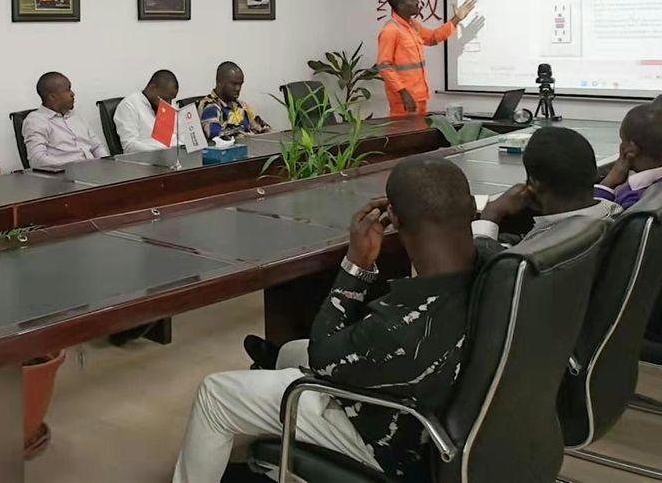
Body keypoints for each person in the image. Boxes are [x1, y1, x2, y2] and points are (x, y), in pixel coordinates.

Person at [175, 156, 479, 483]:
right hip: (442, 405)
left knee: (214, 394)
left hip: (393, 435)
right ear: (472, 208)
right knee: (291, 351)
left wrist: (357, 264)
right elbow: (487, 230)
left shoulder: (400, 327)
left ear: (395, 219)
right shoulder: (493, 266)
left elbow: (322, 355)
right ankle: (278, 446)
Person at [474, 125, 621, 243]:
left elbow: (485, 264)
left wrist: (490, 216)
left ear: (534, 185)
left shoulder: (539, 246)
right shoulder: (617, 213)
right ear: (595, 173)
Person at [377, 0, 476, 116]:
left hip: (419, 95)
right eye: (412, 0)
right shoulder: (390, 30)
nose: (417, 2)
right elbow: (384, 66)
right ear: (401, 5)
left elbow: (432, 38)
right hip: (404, 98)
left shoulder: (413, 25)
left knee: (420, 128)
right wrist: (403, 92)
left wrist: (456, 19)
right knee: (405, 129)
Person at [22, 72, 108, 170]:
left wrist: (106, 166)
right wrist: (73, 167)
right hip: (64, 175)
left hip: (93, 171)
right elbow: (37, 160)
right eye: (68, 90)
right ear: (52, 97)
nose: (72, 94)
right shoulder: (36, 121)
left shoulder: (75, 115)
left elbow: (97, 147)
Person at [595, 103, 662, 209]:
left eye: (622, 141)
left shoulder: (635, 200)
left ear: (629, 149)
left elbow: (593, 216)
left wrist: (607, 184)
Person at [196, 62, 270, 140]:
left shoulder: (242, 106)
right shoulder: (209, 106)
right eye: (234, 84)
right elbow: (215, 134)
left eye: (240, 84)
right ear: (219, 82)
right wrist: (244, 136)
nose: (238, 88)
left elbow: (263, 129)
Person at [114, 69, 180, 153]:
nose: (169, 104)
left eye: (171, 99)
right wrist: (164, 150)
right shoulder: (129, 106)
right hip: (146, 158)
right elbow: (130, 146)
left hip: (173, 156)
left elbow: (177, 137)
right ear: (152, 88)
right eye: (165, 99)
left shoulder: (167, 105)